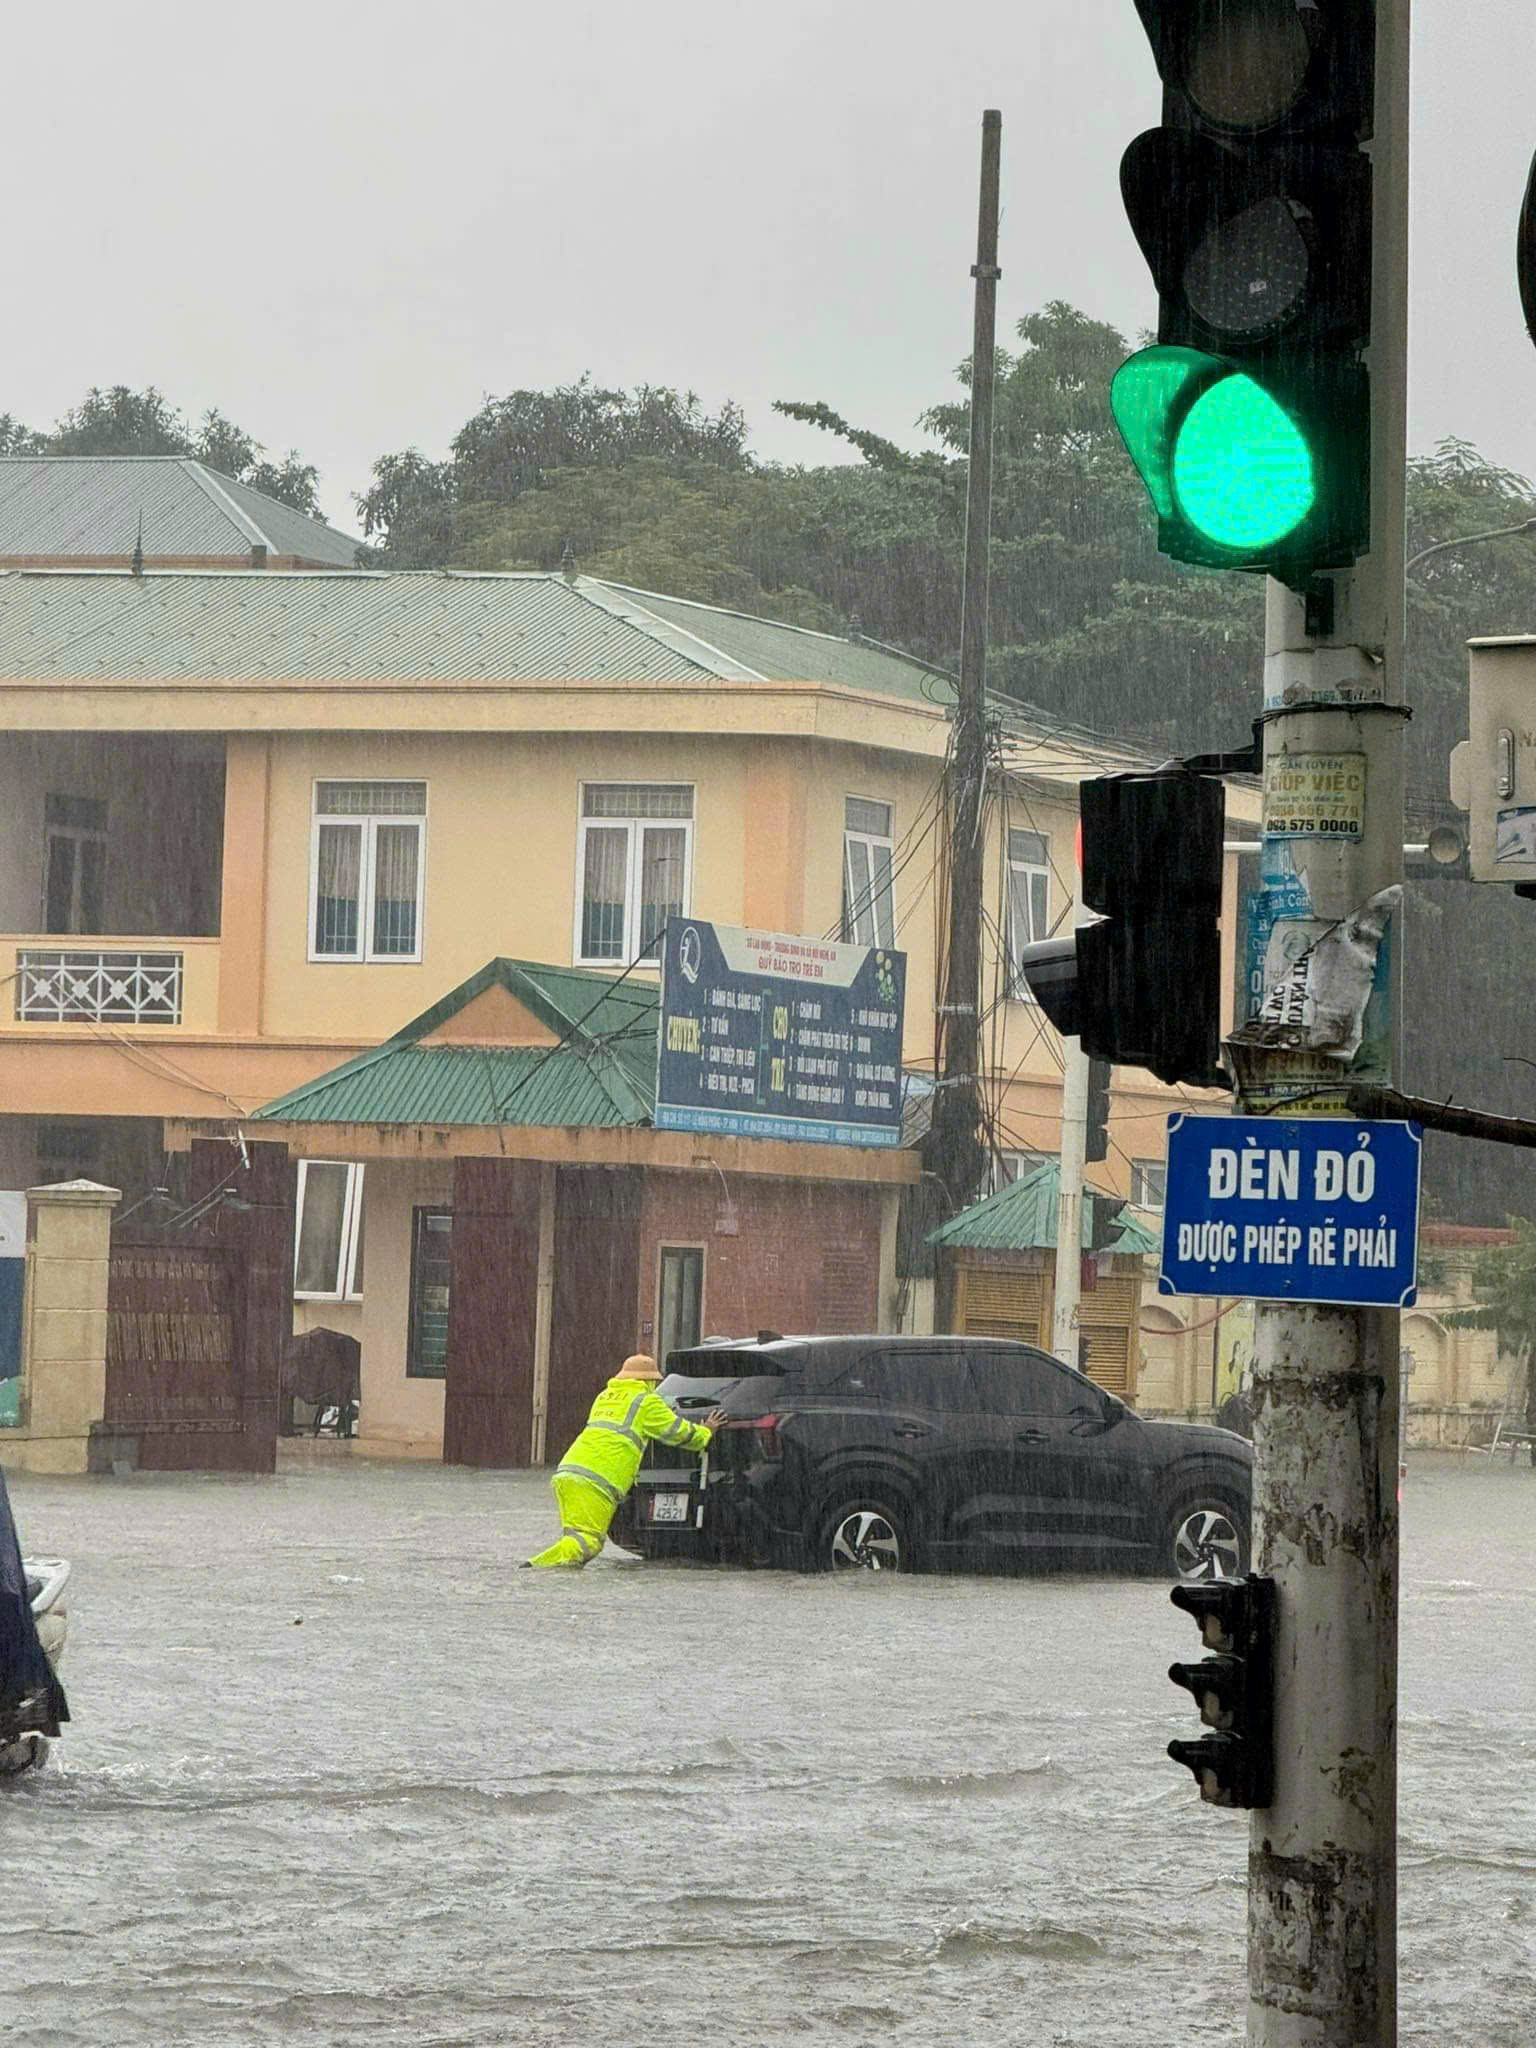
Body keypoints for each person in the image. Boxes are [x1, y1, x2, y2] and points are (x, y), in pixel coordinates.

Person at [525, 1353, 721, 1569]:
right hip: (597, 1481)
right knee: (588, 1543)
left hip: (569, 1473)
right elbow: (676, 1432)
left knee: (575, 1539)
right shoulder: (645, 1402)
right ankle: (535, 1567)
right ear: (648, 1381)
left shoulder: (604, 1397)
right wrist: (705, 1432)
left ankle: (548, 1569)